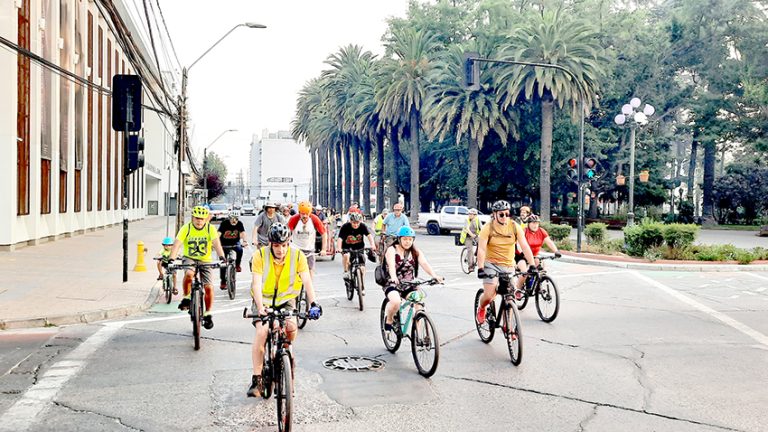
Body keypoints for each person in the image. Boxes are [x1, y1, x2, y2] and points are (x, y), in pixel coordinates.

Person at [247, 223, 322, 397]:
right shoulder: (260, 256)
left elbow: (307, 281)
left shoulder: (298, 256)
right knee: (262, 331)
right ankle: (257, 379)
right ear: (270, 244)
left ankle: (287, 359)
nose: (280, 250)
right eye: (276, 245)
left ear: (289, 242)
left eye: (284, 245)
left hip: (287, 299)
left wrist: (314, 304)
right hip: (263, 300)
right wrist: (260, 307)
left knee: (291, 328)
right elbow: (256, 284)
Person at [475, 200, 536, 325]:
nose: (504, 217)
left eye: (507, 214)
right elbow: (481, 249)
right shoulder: (488, 228)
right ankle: (481, 308)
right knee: (489, 295)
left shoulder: (514, 226)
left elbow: (524, 246)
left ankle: (508, 326)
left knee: (510, 296)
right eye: (501, 214)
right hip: (491, 263)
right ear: (494, 214)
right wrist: (480, 268)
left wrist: (532, 265)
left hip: (508, 265)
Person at [168, 206, 226, 330]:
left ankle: (208, 313)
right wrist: (171, 259)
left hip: (205, 260)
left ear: (206, 219)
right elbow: (177, 244)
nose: (199, 221)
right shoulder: (186, 228)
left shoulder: (210, 229)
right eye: (197, 218)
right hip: (190, 257)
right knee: (189, 274)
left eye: (202, 219)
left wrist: (222, 257)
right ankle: (187, 297)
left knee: (209, 287)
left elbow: (216, 243)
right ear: (192, 218)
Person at [382, 226, 444, 331]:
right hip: (393, 283)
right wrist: (393, 277)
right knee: (396, 302)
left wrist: (434, 276)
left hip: (409, 284)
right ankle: (389, 319)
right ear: (399, 239)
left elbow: (424, 263)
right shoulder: (391, 250)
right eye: (405, 239)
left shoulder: (415, 251)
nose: (407, 242)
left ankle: (417, 334)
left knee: (418, 304)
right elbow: (391, 265)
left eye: (410, 239)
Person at [515, 214, 562, 290]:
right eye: (533, 223)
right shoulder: (524, 231)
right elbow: (519, 244)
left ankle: (537, 286)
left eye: (537, 223)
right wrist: (523, 254)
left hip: (534, 255)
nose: (535, 225)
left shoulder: (541, 231)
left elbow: (549, 242)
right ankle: (518, 290)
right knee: (525, 272)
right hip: (521, 256)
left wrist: (556, 251)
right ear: (528, 224)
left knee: (541, 270)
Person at [286, 201, 327, 278]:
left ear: (310, 213)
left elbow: (324, 233)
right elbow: (287, 233)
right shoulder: (294, 219)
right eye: (302, 214)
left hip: (309, 250)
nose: (305, 216)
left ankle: (309, 285)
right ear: (299, 212)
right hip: (296, 248)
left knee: (310, 269)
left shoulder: (314, 219)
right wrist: (286, 245)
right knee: (293, 269)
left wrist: (324, 249)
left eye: (307, 214)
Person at [337, 212, 377, 283]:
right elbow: (340, 238)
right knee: (346, 256)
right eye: (354, 223)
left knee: (362, 267)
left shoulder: (363, 226)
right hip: (347, 247)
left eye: (357, 223)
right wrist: (339, 248)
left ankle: (362, 284)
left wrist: (372, 245)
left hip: (359, 248)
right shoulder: (345, 227)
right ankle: (346, 271)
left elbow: (369, 236)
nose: (356, 225)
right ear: (350, 221)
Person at [217, 211, 248, 288]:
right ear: (229, 218)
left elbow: (243, 233)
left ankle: (237, 265)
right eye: (232, 219)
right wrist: (215, 243)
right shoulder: (224, 223)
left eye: (236, 219)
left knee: (240, 249)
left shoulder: (239, 224)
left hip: (235, 243)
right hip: (224, 244)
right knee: (223, 264)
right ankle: (223, 281)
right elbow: (218, 234)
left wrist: (244, 241)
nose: (234, 221)